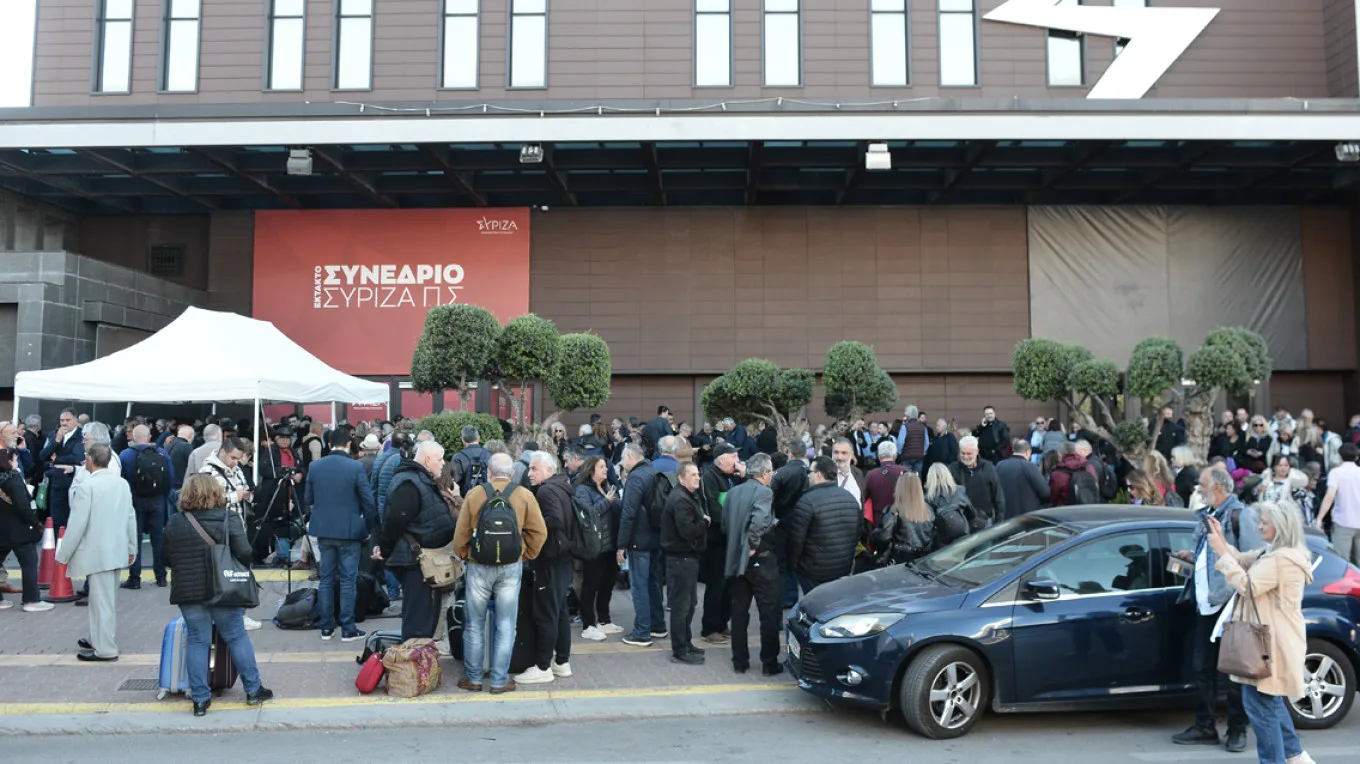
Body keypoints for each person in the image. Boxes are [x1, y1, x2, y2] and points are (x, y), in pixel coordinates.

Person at [1206, 502, 1317, 764]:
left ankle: (1278, 759)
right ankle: (1295, 755)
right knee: (1270, 702)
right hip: (1270, 642)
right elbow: (1242, 559)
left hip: (1270, 645)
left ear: (1279, 526)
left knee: (1260, 708)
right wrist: (1222, 543)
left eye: (1264, 522)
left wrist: (1222, 554)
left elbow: (1247, 585)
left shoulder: (1281, 560)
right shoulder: (1274, 554)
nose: (1259, 526)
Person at [162, 475, 273, 716]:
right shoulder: (227, 517)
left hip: (189, 591)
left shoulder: (174, 522)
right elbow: (245, 552)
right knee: (235, 636)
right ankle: (254, 690)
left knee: (197, 641)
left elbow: (166, 559)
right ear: (215, 493)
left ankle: (200, 700)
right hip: (224, 589)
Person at [1170, 468, 1250, 752]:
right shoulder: (1207, 514)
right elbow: (1212, 552)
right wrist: (1193, 557)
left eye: (1202, 485)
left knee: (1234, 672)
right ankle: (1205, 726)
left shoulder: (1241, 516)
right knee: (1202, 668)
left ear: (1217, 486)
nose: (1198, 489)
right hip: (1205, 603)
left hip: (1230, 606)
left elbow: (1251, 561)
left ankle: (1237, 730)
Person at [453, 452, 547, 694]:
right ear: (513, 473)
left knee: (474, 624)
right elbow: (539, 532)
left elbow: (460, 534)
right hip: (510, 567)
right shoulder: (524, 495)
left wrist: (466, 555)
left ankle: (473, 678)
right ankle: (499, 680)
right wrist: (525, 554)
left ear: (488, 472)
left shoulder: (475, 494)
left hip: (479, 566)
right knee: (506, 625)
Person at [58, 444, 137, 662]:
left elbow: (77, 525)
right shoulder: (122, 484)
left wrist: (63, 554)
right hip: (118, 550)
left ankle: (105, 649)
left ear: (90, 461)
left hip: (96, 552)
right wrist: (132, 548)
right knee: (105, 600)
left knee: (100, 602)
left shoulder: (87, 486)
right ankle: (98, 639)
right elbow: (131, 517)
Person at [374, 441, 456, 641]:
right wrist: (383, 549)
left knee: (424, 617)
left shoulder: (418, 479)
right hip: (414, 561)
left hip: (421, 560)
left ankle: (419, 662)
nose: (442, 465)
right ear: (428, 460)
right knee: (418, 620)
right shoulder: (410, 482)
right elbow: (395, 520)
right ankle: (413, 664)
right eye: (439, 460)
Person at [306, 430, 379, 643]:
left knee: (326, 579)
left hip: (324, 529)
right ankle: (348, 627)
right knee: (348, 580)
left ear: (329, 443)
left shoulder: (315, 466)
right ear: (348, 444)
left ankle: (326, 627)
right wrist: (367, 527)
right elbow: (368, 501)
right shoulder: (355, 467)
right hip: (350, 530)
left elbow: (308, 497)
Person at [516, 452, 575, 685]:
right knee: (559, 612)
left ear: (549, 471)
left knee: (546, 614)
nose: (529, 473)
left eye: (534, 469)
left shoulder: (545, 490)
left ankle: (542, 666)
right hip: (562, 559)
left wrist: (528, 527)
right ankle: (561, 662)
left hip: (549, 559)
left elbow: (554, 520)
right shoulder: (563, 486)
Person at [720, 453, 780, 675]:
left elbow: (725, 524)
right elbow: (760, 520)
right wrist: (753, 544)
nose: (772, 474)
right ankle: (769, 662)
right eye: (771, 471)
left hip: (736, 560)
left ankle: (740, 660)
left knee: (739, 612)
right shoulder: (764, 492)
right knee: (769, 612)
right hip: (760, 559)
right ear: (764, 473)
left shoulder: (733, 492)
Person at [786, 456, 861, 593]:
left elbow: (796, 541)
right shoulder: (850, 498)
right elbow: (856, 534)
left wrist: (793, 565)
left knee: (816, 607)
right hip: (842, 567)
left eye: (810, 472)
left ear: (819, 475)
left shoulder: (806, 501)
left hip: (813, 571)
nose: (808, 476)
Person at [616, 443, 666, 647]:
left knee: (639, 586)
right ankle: (657, 625)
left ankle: (642, 631)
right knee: (654, 582)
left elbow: (628, 514)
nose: (621, 463)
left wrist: (622, 545)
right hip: (656, 537)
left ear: (630, 456)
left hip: (639, 540)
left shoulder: (636, 478)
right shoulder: (653, 471)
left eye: (622, 458)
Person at [116, 424, 175, 589]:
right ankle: (161, 576)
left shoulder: (126, 455)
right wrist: (163, 495)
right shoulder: (161, 452)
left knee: (135, 539)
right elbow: (170, 477)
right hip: (157, 500)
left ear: (133, 438)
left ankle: (135, 578)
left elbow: (121, 478)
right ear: (149, 437)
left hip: (135, 501)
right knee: (158, 539)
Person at [698, 443, 745, 644]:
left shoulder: (731, 477)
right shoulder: (710, 477)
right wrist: (735, 518)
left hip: (731, 539)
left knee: (729, 586)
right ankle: (709, 628)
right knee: (716, 585)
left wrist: (743, 476)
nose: (737, 461)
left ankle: (722, 623)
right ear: (722, 459)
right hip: (717, 540)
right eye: (733, 457)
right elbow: (713, 508)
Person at [660, 461, 706, 664]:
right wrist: (704, 522)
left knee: (689, 604)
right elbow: (687, 531)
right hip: (681, 559)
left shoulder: (686, 496)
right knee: (681, 606)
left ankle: (686, 642)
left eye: (698, 474)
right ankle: (680, 649)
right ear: (681, 478)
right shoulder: (680, 499)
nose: (697, 477)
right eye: (693, 474)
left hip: (687, 558)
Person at [574, 455, 622, 641]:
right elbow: (586, 515)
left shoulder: (608, 487)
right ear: (591, 469)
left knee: (607, 584)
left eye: (606, 466)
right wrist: (607, 502)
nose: (605, 469)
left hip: (610, 545)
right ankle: (588, 624)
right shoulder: (582, 490)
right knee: (590, 585)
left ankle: (604, 620)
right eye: (601, 466)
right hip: (594, 545)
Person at [0, 447, 50, 612]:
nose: (17, 463)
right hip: (20, 529)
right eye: (14, 459)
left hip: (2, 529)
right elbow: (23, 506)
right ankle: (31, 599)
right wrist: (35, 521)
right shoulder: (14, 480)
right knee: (29, 563)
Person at [38, 408, 85, 531]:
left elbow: (78, 458)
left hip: (74, 482)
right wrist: (57, 441)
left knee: (73, 519)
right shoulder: (54, 435)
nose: (64, 423)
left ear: (75, 420)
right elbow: (43, 456)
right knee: (57, 520)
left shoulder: (81, 436)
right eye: (62, 420)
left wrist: (55, 460)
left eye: (67, 420)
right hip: (56, 484)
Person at [1315, 442, 1360, 564]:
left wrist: (1320, 518)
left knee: (1342, 562)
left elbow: (1330, 496)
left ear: (1340, 456)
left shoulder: (1336, 473)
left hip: (1343, 522)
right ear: (1357, 457)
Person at [950, 436, 1005, 524]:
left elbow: (998, 495)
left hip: (986, 520)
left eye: (969, 453)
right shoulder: (953, 469)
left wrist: (1000, 521)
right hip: (962, 522)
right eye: (962, 453)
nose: (965, 457)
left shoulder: (988, 468)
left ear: (977, 452)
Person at [995, 439, 1049, 517]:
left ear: (1013, 450)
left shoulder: (1000, 465)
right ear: (1028, 452)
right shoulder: (1029, 466)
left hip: (1004, 515)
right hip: (1026, 516)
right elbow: (1045, 492)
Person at [863, 441, 907, 526]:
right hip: (902, 520)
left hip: (879, 521)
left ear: (879, 457)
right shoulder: (906, 471)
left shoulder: (871, 474)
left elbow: (864, 497)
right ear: (895, 456)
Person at [450, 425, 491, 497]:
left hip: (466, 499)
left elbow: (454, 482)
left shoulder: (458, 457)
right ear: (478, 438)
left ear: (463, 440)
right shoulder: (489, 454)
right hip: (487, 498)